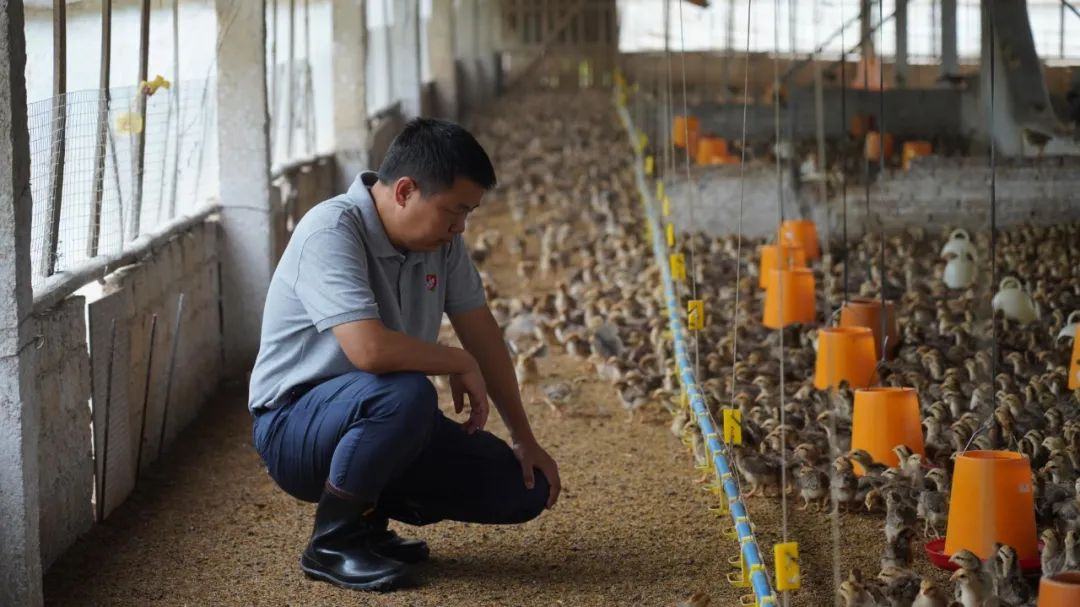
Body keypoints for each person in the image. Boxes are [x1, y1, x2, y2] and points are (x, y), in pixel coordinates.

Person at [247, 118, 561, 592]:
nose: (461, 227)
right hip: (294, 425)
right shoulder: (331, 230)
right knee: (405, 393)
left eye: (469, 213)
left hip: (383, 415)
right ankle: (333, 543)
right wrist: (457, 361)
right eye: (455, 211)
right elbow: (369, 351)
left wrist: (524, 437)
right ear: (405, 191)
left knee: (522, 489)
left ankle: (370, 519)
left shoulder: (443, 245)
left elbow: (483, 336)